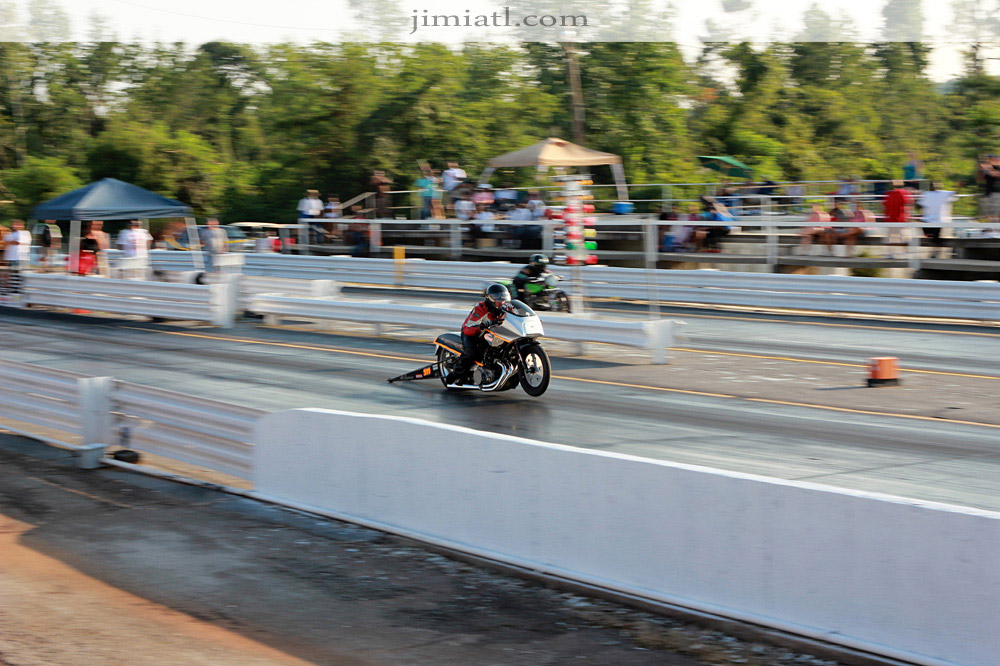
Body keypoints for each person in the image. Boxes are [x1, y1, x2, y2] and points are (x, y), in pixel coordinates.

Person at [448, 283, 512, 386]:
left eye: (503, 299)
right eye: (498, 299)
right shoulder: (480, 308)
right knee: (472, 353)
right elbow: (469, 327)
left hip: (491, 333)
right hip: (472, 333)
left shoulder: (505, 308)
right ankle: (455, 375)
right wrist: (482, 326)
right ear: (490, 299)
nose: (501, 302)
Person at [918, 182, 956, 257]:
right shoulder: (927, 194)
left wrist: (957, 186)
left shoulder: (942, 193)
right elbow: (921, 204)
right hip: (929, 218)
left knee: (936, 236)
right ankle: (936, 249)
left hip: (938, 219)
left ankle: (936, 251)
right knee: (929, 234)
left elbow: (954, 193)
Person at [882, 179, 913, 253]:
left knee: (891, 238)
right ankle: (906, 253)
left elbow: (884, 207)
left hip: (890, 219)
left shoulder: (888, 194)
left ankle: (890, 253)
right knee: (904, 238)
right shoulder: (905, 193)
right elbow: (908, 206)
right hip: (902, 219)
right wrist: (909, 217)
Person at [2, 220, 31, 292]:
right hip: (11, 257)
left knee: (20, 274)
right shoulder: (10, 234)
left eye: (18, 225)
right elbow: (5, 243)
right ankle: (15, 289)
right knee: (13, 274)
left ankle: (20, 289)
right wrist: (10, 242)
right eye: (14, 224)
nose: (15, 226)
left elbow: (17, 242)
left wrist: (10, 242)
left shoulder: (25, 233)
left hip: (20, 257)